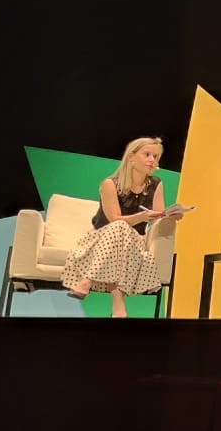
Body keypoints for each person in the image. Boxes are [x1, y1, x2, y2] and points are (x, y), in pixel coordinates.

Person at [61, 136, 176, 318]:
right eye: (147, 154)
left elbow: (159, 215)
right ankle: (118, 305)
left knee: (122, 230)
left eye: (155, 157)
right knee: (120, 226)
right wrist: (140, 216)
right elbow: (114, 220)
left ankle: (86, 281)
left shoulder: (156, 184)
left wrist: (172, 215)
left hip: (134, 241)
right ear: (131, 157)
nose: (152, 160)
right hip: (101, 239)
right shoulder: (110, 184)